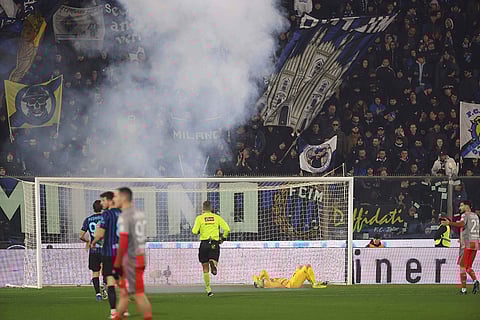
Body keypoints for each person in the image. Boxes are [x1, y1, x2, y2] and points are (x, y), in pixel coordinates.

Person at [112, 187, 152, 320]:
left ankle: (148, 317)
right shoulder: (139, 214)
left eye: (116, 196)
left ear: (123, 198)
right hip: (140, 256)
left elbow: (123, 240)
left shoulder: (124, 216)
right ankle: (117, 316)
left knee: (138, 294)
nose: (114, 199)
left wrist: (117, 264)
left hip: (131, 260)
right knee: (124, 292)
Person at [91, 191, 122, 318]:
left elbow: (100, 234)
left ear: (110, 201)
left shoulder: (106, 214)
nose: (102, 203)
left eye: (104, 200)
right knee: (121, 282)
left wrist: (93, 242)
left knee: (110, 282)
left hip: (110, 253)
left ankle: (114, 312)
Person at [192, 200, 230, 296]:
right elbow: (227, 229)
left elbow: (194, 231)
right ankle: (213, 263)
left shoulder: (199, 218)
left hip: (204, 244)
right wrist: (223, 238)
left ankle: (208, 290)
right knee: (213, 259)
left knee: (205, 268)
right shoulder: (216, 217)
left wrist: (201, 230)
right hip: (214, 243)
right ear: (211, 208)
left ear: (203, 209)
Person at [441, 200, 480, 294]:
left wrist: (449, 223)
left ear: (467, 206)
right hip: (476, 243)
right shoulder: (475, 216)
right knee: (468, 266)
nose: (460, 208)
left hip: (467, 244)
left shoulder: (465, 215)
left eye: (461, 206)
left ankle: (464, 290)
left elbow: (461, 224)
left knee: (462, 266)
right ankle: (475, 281)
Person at [79, 200, 107, 301]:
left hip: (93, 249)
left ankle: (98, 294)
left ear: (93, 208)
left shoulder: (88, 219)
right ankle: (105, 286)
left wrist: (88, 241)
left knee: (95, 272)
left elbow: (80, 236)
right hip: (105, 249)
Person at [253, 264, 327, 289]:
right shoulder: (268, 283)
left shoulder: (268, 283)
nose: (264, 279)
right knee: (307, 266)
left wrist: (259, 279)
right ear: (261, 283)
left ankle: (314, 282)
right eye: (263, 280)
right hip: (292, 284)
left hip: (291, 282)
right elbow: (263, 272)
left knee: (300, 267)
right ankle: (314, 284)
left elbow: (257, 276)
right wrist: (259, 278)